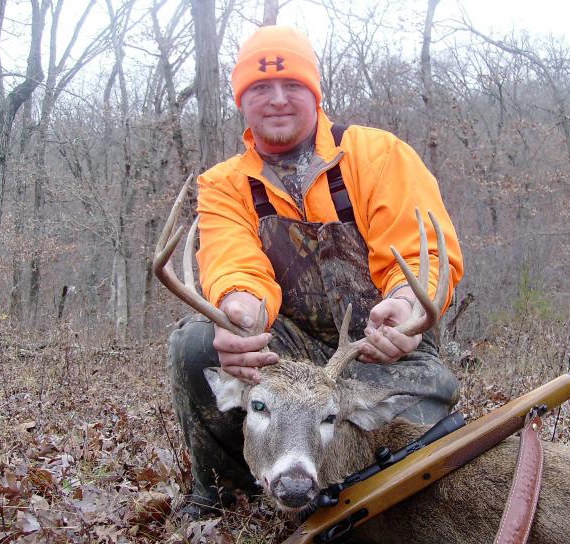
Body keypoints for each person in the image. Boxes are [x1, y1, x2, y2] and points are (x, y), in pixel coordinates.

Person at [168, 25, 464, 516]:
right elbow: (233, 263)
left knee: (425, 434)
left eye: (293, 86)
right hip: (289, 355)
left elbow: (422, 254)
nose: (278, 100)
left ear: (315, 93)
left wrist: (407, 308)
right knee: (196, 344)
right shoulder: (224, 185)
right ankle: (222, 496)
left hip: (381, 352)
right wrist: (241, 311)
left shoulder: (378, 155)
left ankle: (332, 489)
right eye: (261, 88)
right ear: (242, 99)